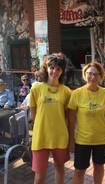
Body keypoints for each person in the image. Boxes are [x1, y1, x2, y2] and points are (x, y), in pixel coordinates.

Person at [29, 53, 71, 184]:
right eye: (51, 67)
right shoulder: (36, 88)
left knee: (60, 168)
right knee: (40, 175)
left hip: (60, 136)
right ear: (46, 68)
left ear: (62, 71)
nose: (54, 71)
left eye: (58, 69)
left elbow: (68, 116)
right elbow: (34, 114)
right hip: (41, 136)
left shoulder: (66, 91)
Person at [68, 61, 105, 184]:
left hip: (101, 140)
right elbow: (71, 120)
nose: (92, 77)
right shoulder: (76, 93)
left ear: (101, 77)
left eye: (96, 74)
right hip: (82, 140)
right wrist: (71, 141)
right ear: (85, 74)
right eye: (89, 73)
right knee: (79, 170)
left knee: (99, 167)